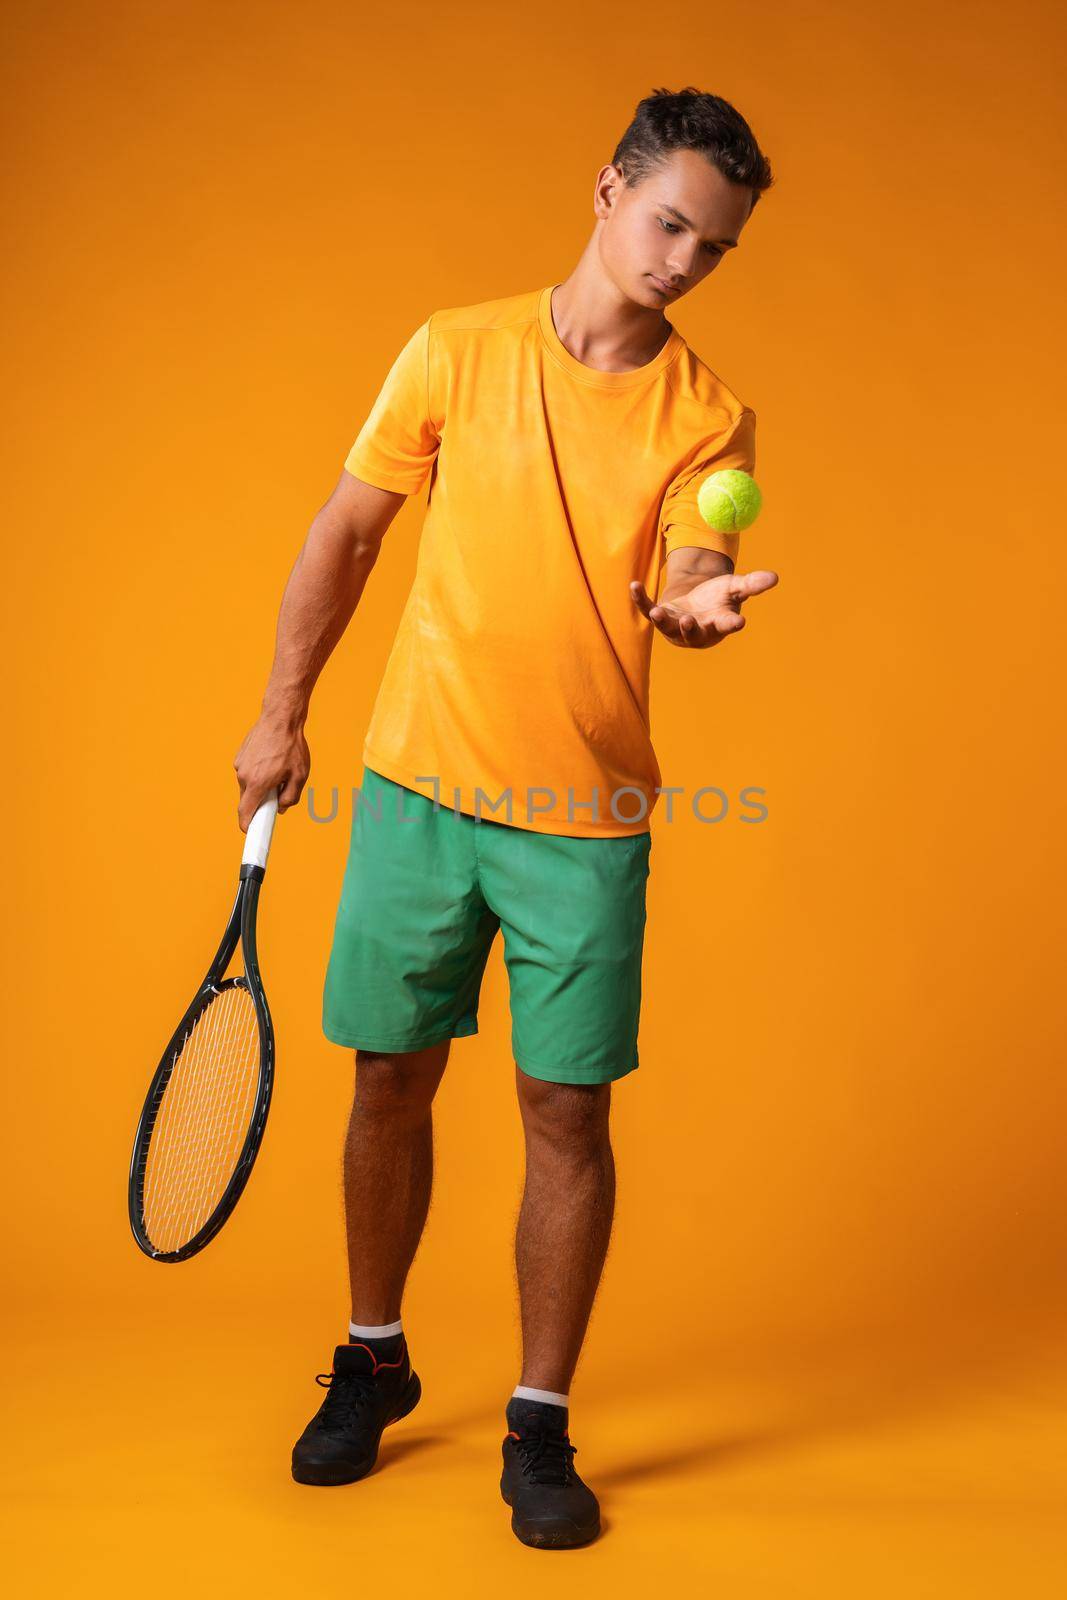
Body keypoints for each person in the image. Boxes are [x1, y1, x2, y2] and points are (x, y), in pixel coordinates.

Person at [233, 85, 777, 1550]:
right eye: (668, 222)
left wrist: (695, 600)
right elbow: (345, 533)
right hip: (416, 789)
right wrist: (283, 713)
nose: (680, 260)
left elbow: (700, 540)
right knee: (386, 1088)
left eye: (711, 247)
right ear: (606, 191)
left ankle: (539, 1425)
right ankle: (373, 1359)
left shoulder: (708, 413)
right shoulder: (451, 349)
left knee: (565, 1114)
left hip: (583, 821)